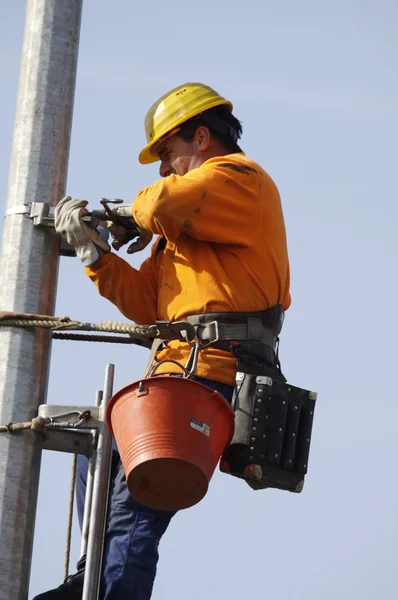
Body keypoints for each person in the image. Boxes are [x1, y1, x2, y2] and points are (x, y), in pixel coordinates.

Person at [33, 82, 290, 600]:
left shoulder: (239, 179)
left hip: (210, 375)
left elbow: (159, 203)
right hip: (178, 374)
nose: (164, 168)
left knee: (134, 509)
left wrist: (131, 213)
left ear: (201, 137)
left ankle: (107, 589)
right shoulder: (189, 225)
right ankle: (91, 580)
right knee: (103, 458)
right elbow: (149, 303)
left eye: (168, 154)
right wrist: (95, 255)